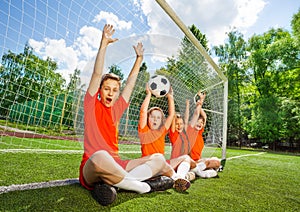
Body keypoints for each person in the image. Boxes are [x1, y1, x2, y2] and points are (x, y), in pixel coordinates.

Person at [79, 24, 174, 206]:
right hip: (92, 167)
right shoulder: (91, 104)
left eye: (115, 90)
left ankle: (115, 185)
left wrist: (139, 59)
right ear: (99, 91)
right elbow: (97, 72)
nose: (110, 93)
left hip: (118, 164)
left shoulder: (117, 108)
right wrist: (104, 43)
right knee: (100, 156)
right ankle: (142, 186)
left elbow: (130, 84)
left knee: (158, 158)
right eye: (107, 89)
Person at [138, 83, 191, 192]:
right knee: (160, 162)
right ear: (148, 119)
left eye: (158, 117)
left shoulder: (162, 131)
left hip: (162, 165)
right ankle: (175, 178)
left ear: (161, 120)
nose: (155, 119)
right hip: (149, 165)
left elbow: (171, 115)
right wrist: (148, 94)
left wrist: (170, 96)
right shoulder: (144, 130)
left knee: (186, 158)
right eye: (152, 117)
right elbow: (143, 112)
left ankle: (179, 178)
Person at [185, 91, 221, 178]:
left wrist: (201, 101)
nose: (200, 123)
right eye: (198, 121)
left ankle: (199, 170)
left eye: (201, 123)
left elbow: (204, 117)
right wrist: (199, 104)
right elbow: (196, 114)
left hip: (198, 161)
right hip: (189, 162)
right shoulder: (190, 130)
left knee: (217, 161)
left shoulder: (199, 133)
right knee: (211, 163)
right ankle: (201, 172)